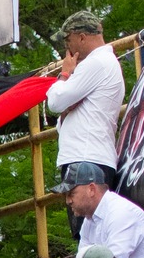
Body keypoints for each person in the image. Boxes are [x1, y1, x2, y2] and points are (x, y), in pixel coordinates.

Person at [45, 10, 124, 195]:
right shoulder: (102, 62)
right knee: (88, 221)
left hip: (86, 159)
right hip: (90, 156)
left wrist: (64, 75)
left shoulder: (96, 63)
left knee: (85, 221)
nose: (67, 48)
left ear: (81, 37)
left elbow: (55, 103)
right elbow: (62, 115)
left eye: (68, 41)